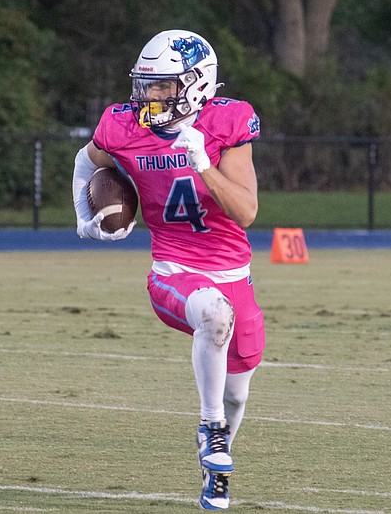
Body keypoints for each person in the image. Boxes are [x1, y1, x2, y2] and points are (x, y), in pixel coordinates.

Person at [71, 29, 264, 510]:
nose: (149, 96)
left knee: (239, 391)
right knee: (214, 316)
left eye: (162, 86)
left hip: (233, 271)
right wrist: (83, 216)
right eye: (146, 84)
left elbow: (245, 213)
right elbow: (83, 162)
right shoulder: (120, 126)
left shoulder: (229, 122)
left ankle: (214, 470)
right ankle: (210, 427)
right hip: (172, 269)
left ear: (197, 84)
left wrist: (203, 164)